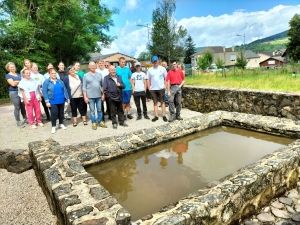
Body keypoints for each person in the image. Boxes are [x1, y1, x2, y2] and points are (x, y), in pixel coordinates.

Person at [42, 68, 70, 134]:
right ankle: (53, 126)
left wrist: (67, 98)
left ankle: (61, 123)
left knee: (61, 113)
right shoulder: (46, 82)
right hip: (52, 100)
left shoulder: (60, 81)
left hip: (61, 100)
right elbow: (45, 92)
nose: (54, 74)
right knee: (54, 113)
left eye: (55, 73)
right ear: (49, 74)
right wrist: (47, 101)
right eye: (52, 73)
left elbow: (65, 90)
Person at [82, 61, 107, 130]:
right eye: (91, 66)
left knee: (99, 110)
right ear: (89, 67)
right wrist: (85, 97)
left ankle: (100, 122)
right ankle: (94, 123)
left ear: (96, 66)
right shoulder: (85, 75)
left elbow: (102, 86)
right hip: (90, 97)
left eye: (94, 65)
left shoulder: (99, 74)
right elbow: (84, 87)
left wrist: (103, 95)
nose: (93, 67)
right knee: (92, 111)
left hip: (99, 96)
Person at [5, 62, 28, 128]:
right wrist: (19, 81)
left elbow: (24, 82)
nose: (13, 68)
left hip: (21, 92)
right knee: (17, 107)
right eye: (11, 67)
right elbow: (13, 84)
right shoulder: (8, 75)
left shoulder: (18, 74)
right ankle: (18, 121)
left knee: (23, 106)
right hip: (14, 92)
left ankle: (25, 118)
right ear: (8, 68)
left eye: (13, 66)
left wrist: (16, 81)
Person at [147, 55, 168, 122]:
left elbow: (166, 78)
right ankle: (156, 116)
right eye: (154, 61)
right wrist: (149, 88)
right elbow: (148, 79)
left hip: (161, 88)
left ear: (158, 61)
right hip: (153, 89)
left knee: (162, 102)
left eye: (156, 61)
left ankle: (164, 115)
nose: (155, 62)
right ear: (152, 62)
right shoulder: (150, 70)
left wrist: (165, 85)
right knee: (155, 103)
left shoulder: (162, 68)